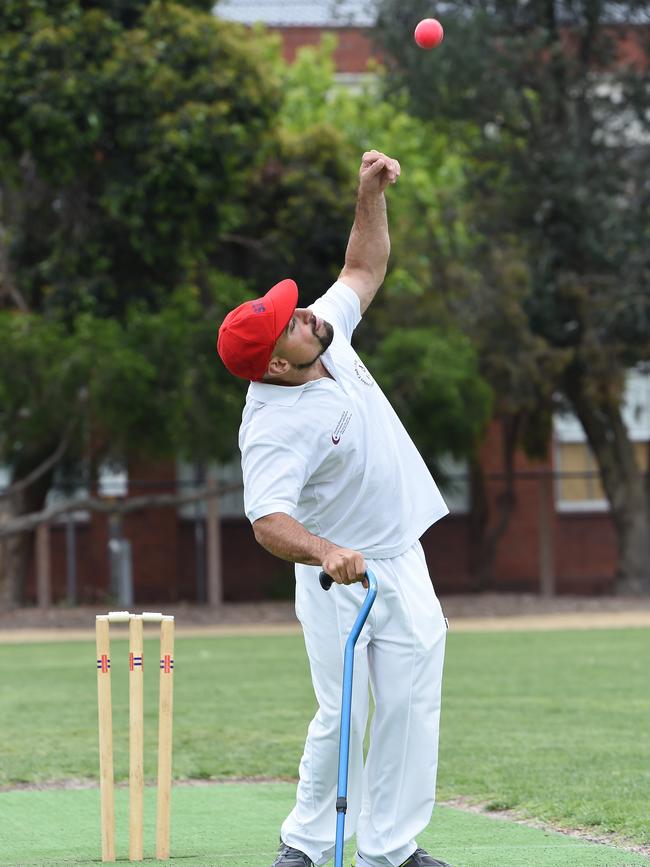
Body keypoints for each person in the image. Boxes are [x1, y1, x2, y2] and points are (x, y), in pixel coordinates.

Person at [217, 151, 451, 867]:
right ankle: (308, 844)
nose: (307, 315)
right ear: (276, 364)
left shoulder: (326, 334)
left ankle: (390, 849)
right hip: (336, 576)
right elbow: (267, 521)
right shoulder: (271, 426)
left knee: (410, 709)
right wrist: (324, 552)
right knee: (343, 715)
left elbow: (363, 269)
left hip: (400, 555)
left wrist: (368, 194)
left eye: (295, 309)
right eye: (291, 322)